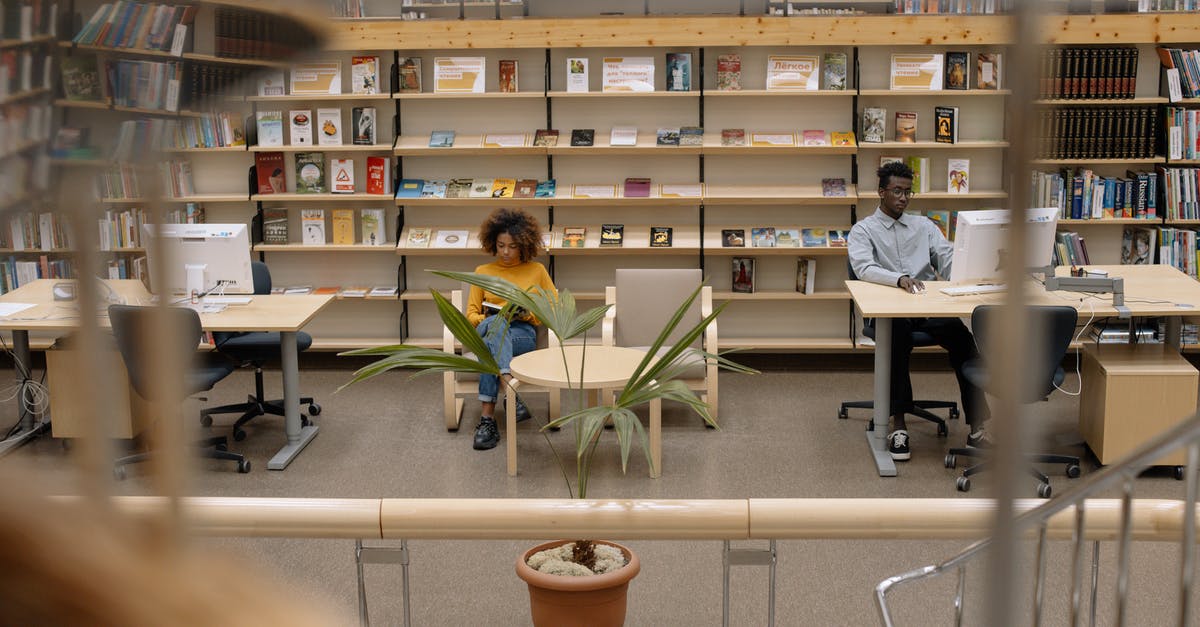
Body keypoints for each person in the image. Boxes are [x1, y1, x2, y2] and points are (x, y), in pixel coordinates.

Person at [847, 161, 989, 461]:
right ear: (881, 192)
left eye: (908, 193)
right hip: (887, 311)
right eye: (897, 191)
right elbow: (863, 268)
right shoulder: (863, 231)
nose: (903, 198)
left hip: (927, 305)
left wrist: (973, 268)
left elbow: (947, 259)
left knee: (965, 341)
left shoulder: (924, 226)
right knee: (895, 340)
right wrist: (897, 279)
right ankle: (898, 425)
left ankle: (978, 427)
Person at [467, 208, 556, 451]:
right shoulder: (482, 272)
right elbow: (471, 314)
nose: (506, 252)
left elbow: (554, 307)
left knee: (489, 347)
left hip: (522, 334)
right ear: (492, 242)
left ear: (524, 245)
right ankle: (511, 392)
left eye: (513, 246)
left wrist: (528, 313)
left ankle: (487, 422)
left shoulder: (536, 271)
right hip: (487, 327)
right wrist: (487, 317)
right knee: (495, 327)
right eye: (501, 245)